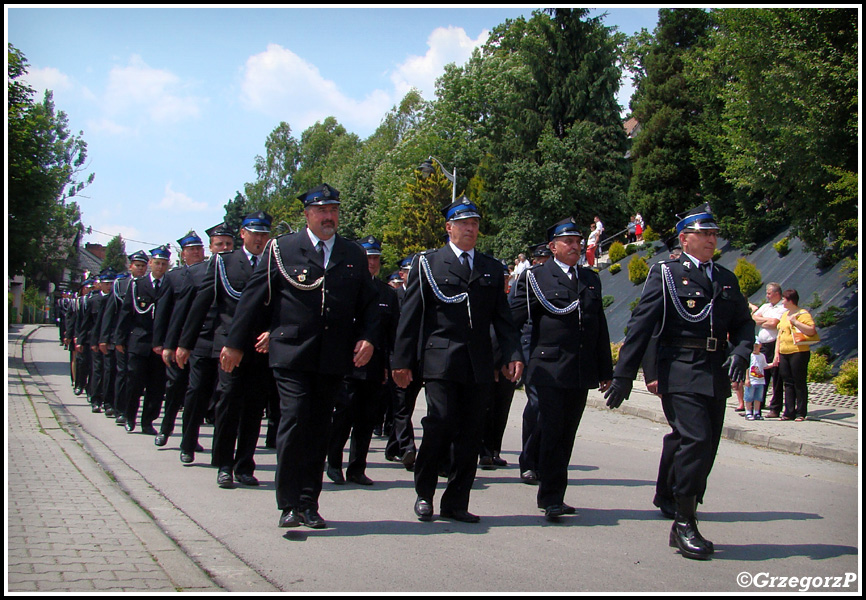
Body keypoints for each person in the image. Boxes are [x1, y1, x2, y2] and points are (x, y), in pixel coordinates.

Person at [222, 184, 379, 530]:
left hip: (332, 357)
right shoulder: (283, 248)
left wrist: (368, 337)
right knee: (293, 422)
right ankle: (289, 503)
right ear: (307, 215)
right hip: (291, 353)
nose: (329, 217)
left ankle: (310, 502)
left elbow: (370, 304)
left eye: (334, 210)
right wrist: (235, 343)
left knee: (319, 429)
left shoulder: (351, 253)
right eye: (322, 211)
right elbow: (253, 297)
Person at [604, 203, 753, 560]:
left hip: (715, 372)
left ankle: (684, 509)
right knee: (695, 439)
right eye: (704, 234)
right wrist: (625, 375)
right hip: (681, 370)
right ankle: (684, 522)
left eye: (714, 234)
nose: (711, 240)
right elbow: (641, 325)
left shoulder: (726, 278)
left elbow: (744, 324)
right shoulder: (667, 274)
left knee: (708, 445)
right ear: (685, 239)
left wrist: (742, 351)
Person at [391, 196, 523, 524]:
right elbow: (411, 316)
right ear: (449, 228)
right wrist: (401, 360)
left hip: (478, 364)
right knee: (440, 424)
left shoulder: (491, 268)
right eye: (464, 223)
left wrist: (512, 354)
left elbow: (502, 318)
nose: (470, 229)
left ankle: (456, 501)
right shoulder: (429, 264)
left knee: (471, 433)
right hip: (440, 361)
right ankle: (424, 493)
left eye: (475, 223)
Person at [511, 217, 613, 520]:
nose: (575, 246)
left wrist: (605, 369)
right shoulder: (536, 277)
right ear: (553, 247)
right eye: (567, 241)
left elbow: (599, 326)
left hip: (580, 370)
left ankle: (555, 492)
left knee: (567, 434)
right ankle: (551, 497)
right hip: (548, 367)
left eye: (578, 241)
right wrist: (511, 355)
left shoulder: (589, 279)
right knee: (553, 430)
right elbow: (512, 321)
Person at [181, 212, 275, 489]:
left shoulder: (274, 263)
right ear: (243, 234)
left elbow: (281, 303)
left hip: (261, 348)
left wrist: (272, 331)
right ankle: (224, 464)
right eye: (254, 233)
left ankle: (245, 464)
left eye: (264, 234)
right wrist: (185, 344)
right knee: (229, 404)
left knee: (254, 408)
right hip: (230, 347)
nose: (259, 239)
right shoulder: (225, 263)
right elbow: (202, 304)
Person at [326, 235, 399, 486]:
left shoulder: (387, 293)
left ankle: (357, 468)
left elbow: (392, 334)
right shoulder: (346, 288)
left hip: (375, 367)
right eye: (368, 258)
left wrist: (390, 366)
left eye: (376, 259)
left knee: (366, 421)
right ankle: (334, 463)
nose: (372, 263)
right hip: (346, 365)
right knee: (343, 417)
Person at [175, 223, 236, 464]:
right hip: (201, 340)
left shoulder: (237, 269)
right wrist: (178, 343)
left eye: (228, 244)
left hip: (225, 343)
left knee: (224, 396)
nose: (224, 248)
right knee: (196, 392)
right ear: (210, 247)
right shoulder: (197, 272)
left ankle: (220, 453)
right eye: (219, 244)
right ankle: (188, 443)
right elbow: (183, 312)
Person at [152, 231, 206, 447]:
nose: (195, 253)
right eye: (191, 250)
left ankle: (189, 439)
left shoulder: (208, 273)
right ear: (183, 254)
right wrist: (163, 343)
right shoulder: (173, 277)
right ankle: (165, 429)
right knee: (175, 388)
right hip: (178, 341)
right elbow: (164, 313)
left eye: (198, 249)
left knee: (196, 392)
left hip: (200, 341)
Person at [116, 246, 171, 435]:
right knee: (134, 383)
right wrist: (120, 338)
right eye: (157, 263)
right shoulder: (138, 285)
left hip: (160, 345)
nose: (160, 267)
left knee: (156, 387)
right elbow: (126, 313)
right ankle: (130, 417)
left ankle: (148, 421)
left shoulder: (170, 285)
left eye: (164, 264)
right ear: (150, 264)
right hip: (139, 343)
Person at [516, 242, 552, 486]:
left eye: (545, 260)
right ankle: (529, 461)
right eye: (538, 260)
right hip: (532, 350)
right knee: (537, 404)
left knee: (552, 410)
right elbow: (513, 317)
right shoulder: (527, 279)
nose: (542, 264)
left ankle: (544, 462)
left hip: (555, 355)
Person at [771, 290, 816, 422]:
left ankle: (801, 412)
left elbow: (811, 330)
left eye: (784, 299)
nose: (782, 301)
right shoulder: (785, 315)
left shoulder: (803, 314)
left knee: (799, 381)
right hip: (784, 352)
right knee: (788, 382)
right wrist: (776, 353)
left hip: (798, 351)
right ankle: (788, 411)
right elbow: (780, 335)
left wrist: (795, 322)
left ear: (790, 300)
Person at [751, 283, 785, 418]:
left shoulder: (782, 308)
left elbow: (774, 324)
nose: (767, 296)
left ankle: (775, 407)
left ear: (777, 294)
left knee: (776, 376)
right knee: (760, 374)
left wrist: (762, 321)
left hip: (774, 344)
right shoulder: (765, 307)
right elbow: (753, 318)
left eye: (769, 293)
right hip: (762, 345)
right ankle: (759, 403)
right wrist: (765, 321)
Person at [744, 341, 768, 421]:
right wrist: (747, 379)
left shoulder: (762, 356)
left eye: (757, 346)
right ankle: (748, 412)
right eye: (754, 346)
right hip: (751, 380)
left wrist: (773, 364)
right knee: (749, 397)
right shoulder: (750, 355)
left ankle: (757, 412)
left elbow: (765, 366)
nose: (755, 348)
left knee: (758, 398)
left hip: (760, 380)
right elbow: (747, 368)